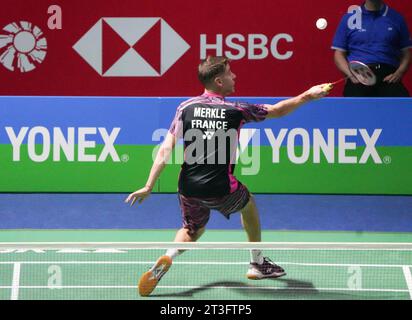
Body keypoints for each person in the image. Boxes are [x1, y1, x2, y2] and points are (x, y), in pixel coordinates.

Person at [125, 56, 331, 297]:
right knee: (249, 204)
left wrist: (149, 185)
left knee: (192, 230)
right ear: (219, 81)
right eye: (230, 73)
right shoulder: (236, 110)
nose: (235, 77)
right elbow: (276, 111)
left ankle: (167, 256)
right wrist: (307, 95)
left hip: (188, 187)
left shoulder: (185, 107)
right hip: (221, 187)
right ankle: (257, 263)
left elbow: (165, 149)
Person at [332, 0, 412, 97]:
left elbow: (406, 52)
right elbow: (339, 53)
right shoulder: (349, 18)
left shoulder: (397, 18)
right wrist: (351, 75)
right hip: (359, 76)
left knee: (403, 108)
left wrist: (399, 72)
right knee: (354, 108)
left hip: (388, 76)